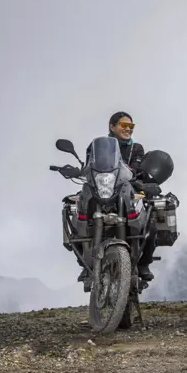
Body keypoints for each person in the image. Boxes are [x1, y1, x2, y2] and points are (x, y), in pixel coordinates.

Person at [76, 111, 157, 283]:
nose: (128, 129)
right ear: (112, 127)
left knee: (150, 217)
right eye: (123, 125)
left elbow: (136, 169)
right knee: (77, 214)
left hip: (126, 189)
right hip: (102, 187)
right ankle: (85, 263)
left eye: (131, 126)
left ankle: (143, 264)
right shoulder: (95, 147)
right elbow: (89, 167)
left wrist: (140, 178)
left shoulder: (136, 148)